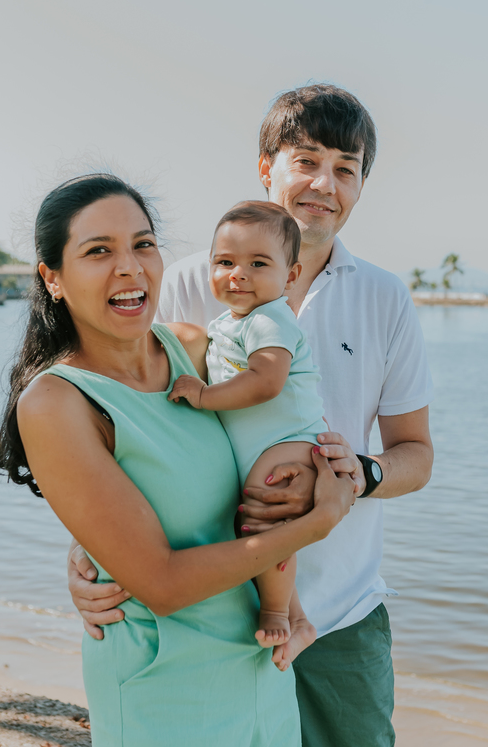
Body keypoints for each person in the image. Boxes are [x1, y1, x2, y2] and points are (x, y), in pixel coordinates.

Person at [69, 85, 436, 747]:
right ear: (266, 166)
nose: (325, 183)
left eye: (346, 169)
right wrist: (87, 546)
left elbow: (417, 453)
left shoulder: (385, 297)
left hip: (343, 619)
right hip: (213, 605)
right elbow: (115, 428)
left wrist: (362, 472)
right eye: (307, 160)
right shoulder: (188, 282)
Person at [0, 174, 358, 746]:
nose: (130, 267)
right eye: (98, 251)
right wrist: (317, 523)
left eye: (142, 244)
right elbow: (160, 582)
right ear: (53, 278)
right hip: (167, 692)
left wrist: (335, 466)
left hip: (261, 667)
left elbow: (271, 424)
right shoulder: (55, 402)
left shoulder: (190, 348)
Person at [168, 201, 323, 656]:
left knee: (264, 516)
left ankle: (276, 614)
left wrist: (202, 396)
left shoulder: (270, 320)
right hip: (262, 443)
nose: (238, 273)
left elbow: (266, 383)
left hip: (289, 439)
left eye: (258, 263)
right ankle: (298, 618)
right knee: (259, 525)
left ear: (290, 276)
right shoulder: (230, 322)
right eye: (225, 262)